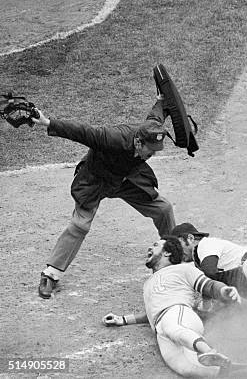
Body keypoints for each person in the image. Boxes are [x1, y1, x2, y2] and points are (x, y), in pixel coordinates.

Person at [32, 97, 176, 299]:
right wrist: (48, 122)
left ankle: (174, 258)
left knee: (163, 209)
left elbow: (156, 116)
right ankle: (51, 273)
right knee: (80, 225)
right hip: (94, 181)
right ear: (137, 142)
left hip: (127, 180)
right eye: (149, 151)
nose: (152, 155)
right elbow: (82, 132)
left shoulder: (149, 132)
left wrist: (162, 101)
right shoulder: (112, 137)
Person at [103, 236, 247, 379]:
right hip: (161, 326)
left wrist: (223, 290)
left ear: (167, 252)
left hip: (179, 315)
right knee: (190, 369)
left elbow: (209, 285)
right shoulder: (148, 284)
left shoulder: (183, 269)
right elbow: (152, 311)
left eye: (155, 245)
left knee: (173, 327)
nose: (150, 247)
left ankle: (208, 350)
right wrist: (123, 319)